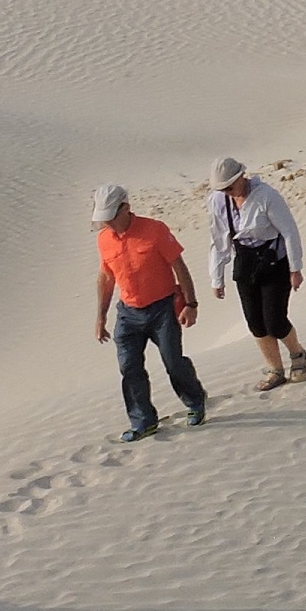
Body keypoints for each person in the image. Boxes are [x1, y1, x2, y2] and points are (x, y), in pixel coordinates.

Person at [92, 184, 208, 439]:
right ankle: (143, 421)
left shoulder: (154, 230)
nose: (107, 224)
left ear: (126, 208)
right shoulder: (104, 240)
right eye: (104, 219)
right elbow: (106, 278)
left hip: (163, 310)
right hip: (128, 314)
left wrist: (191, 304)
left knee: (173, 362)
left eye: (111, 217)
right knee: (129, 368)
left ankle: (195, 400)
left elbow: (179, 266)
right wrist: (101, 316)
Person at [207, 157, 306, 390]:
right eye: (222, 189)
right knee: (255, 322)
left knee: (274, 320)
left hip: (274, 262)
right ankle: (275, 370)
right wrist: (217, 276)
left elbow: (290, 232)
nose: (227, 192)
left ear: (241, 177)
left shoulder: (266, 196)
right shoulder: (218, 201)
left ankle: (297, 354)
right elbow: (219, 238)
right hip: (245, 262)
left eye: (229, 187)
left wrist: (296, 269)